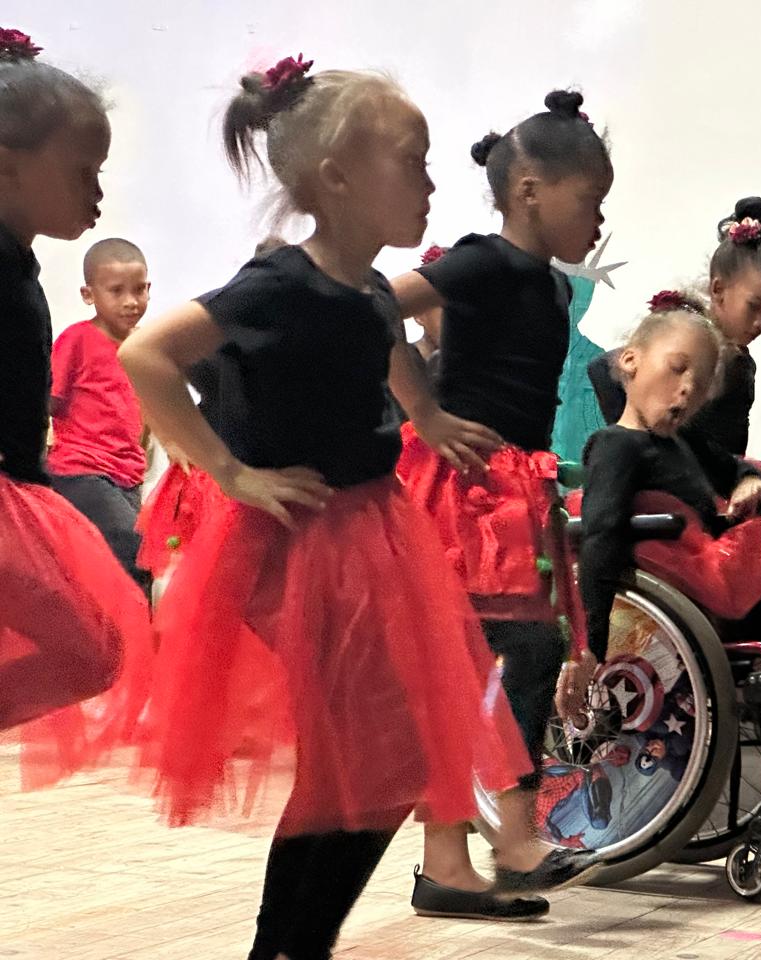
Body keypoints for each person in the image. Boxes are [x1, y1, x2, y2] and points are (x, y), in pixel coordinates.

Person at [110, 55, 535, 957]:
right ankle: (288, 945)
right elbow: (147, 354)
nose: (429, 183)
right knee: (374, 755)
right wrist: (227, 471)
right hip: (306, 543)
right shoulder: (280, 286)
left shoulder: (371, 288)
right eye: (412, 163)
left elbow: (387, 345)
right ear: (338, 179)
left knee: (385, 757)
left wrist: (427, 415)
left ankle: (292, 945)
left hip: (375, 528)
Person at [391, 89, 610, 918]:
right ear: (529, 191)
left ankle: (460, 858)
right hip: (463, 495)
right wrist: (425, 411)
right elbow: (373, 305)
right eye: (589, 200)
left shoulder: (550, 289)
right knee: (501, 653)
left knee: (508, 657)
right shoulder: (482, 263)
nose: (597, 221)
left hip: (515, 493)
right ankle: (500, 840)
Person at [575, 293, 761, 752]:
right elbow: (601, 533)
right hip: (678, 571)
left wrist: (748, 482)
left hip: (699, 562)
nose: (686, 390)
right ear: (630, 360)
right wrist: (589, 644)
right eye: (677, 368)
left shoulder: (683, 441)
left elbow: (734, 467)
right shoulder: (616, 445)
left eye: (699, 386)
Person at [0, 26, 149, 781]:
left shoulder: (19, 265)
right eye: (81, 172)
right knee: (86, 646)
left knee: (91, 648)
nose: (96, 193)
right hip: (16, 493)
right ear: (7, 164)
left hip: (22, 493)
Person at [587, 197, 761, 545]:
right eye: (754, 306)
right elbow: (603, 369)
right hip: (680, 482)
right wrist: (650, 441)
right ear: (718, 290)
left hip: (721, 479)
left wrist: (737, 476)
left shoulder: (741, 362)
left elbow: (729, 441)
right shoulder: (688, 338)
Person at [136, 235, 285, 592]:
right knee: (219, 582)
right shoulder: (222, 322)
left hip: (221, 465)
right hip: (221, 471)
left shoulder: (216, 321)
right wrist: (173, 439)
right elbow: (146, 363)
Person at [47, 238, 152, 591]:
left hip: (128, 474)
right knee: (135, 554)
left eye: (139, 289)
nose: (130, 301)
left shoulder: (144, 347)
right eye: (116, 291)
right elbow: (48, 400)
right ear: (88, 294)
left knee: (132, 561)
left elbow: (154, 409)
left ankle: (120, 622)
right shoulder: (76, 339)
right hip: (82, 469)